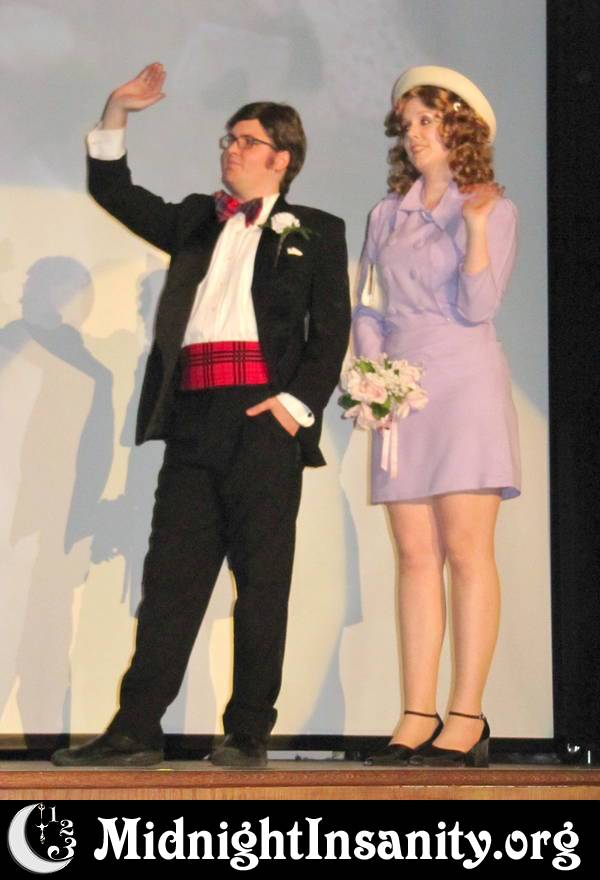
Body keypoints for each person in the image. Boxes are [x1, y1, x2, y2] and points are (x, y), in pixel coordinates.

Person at [52, 62, 350, 768]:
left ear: (282, 157)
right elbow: (113, 190)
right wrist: (117, 109)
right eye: (229, 139)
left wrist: (293, 408)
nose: (231, 149)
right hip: (193, 417)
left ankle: (248, 731)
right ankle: (136, 728)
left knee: (262, 583)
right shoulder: (196, 220)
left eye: (246, 141)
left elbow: (331, 328)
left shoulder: (315, 230)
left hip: (262, 423)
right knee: (170, 580)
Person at [353, 66, 520, 767]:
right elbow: (368, 303)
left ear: (460, 127)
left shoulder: (489, 207)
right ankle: (417, 713)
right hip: (402, 389)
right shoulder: (385, 214)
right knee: (415, 556)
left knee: (466, 552)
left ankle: (467, 715)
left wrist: (475, 227)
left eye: (429, 120)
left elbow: (480, 306)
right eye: (409, 123)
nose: (415, 134)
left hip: (464, 383)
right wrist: (373, 379)